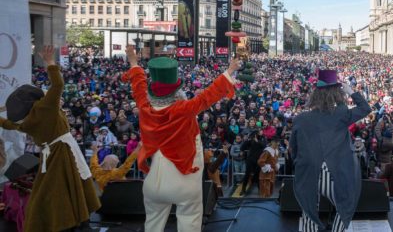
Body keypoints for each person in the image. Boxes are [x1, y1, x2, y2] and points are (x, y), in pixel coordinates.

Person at [121, 45, 240, 231]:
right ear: (177, 92)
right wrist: (230, 70)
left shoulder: (144, 107)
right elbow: (209, 95)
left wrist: (134, 62)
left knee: (152, 225)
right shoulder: (183, 109)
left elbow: (138, 86)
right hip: (184, 181)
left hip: (153, 184)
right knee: (189, 220)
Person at [0, 46, 100, 231]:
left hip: (49, 155)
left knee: (49, 190)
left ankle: (55, 221)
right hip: (64, 152)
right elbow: (58, 85)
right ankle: (72, 220)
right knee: (71, 185)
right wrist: (50, 63)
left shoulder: (26, 122)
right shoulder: (45, 108)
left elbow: (9, 125)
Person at [290, 69, 371, 232]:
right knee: (346, 205)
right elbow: (365, 109)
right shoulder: (341, 114)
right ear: (336, 93)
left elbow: (293, 148)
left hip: (306, 171)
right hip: (334, 173)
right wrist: (351, 92)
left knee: (309, 210)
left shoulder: (300, 119)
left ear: (315, 94)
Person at [239, 131, 266, 195]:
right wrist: (247, 140)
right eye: (258, 133)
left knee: (258, 175)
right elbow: (242, 147)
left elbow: (264, 146)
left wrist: (257, 141)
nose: (260, 133)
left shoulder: (262, 138)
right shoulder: (251, 140)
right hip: (250, 159)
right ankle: (243, 189)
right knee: (247, 174)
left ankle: (260, 190)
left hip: (259, 160)